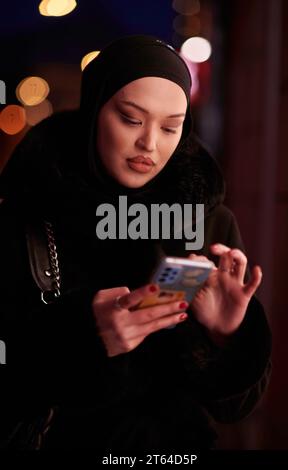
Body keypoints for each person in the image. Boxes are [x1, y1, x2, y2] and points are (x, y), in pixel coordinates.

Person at [0, 34, 271, 451]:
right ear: (94, 112)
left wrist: (228, 336)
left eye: (170, 127)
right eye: (131, 119)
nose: (150, 144)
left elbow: (236, 409)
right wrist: (81, 341)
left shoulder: (208, 222)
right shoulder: (30, 213)